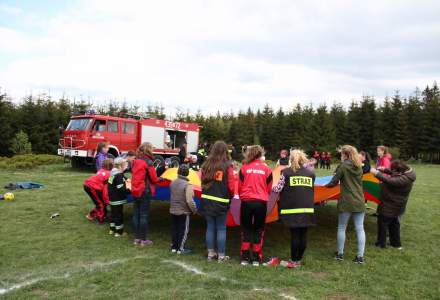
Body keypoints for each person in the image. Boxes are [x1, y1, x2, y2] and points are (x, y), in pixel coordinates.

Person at [268, 149, 315, 268]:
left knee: (295, 235)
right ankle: (299, 259)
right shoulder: (311, 174)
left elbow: (278, 188)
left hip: (292, 209)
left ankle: (294, 260)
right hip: (307, 209)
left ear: (291, 159)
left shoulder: (286, 172)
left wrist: (269, 188)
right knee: (303, 234)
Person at [325, 145, 366, 264]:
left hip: (346, 201)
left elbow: (333, 182)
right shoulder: (359, 166)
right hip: (359, 200)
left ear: (346, 155)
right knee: (360, 229)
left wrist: (323, 186)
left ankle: (340, 254)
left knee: (342, 227)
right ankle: (360, 257)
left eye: (341, 154)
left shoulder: (343, 166)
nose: (340, 156)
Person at [199, 141, 235, 262]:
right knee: (221, 228)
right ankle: (221, 255)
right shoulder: (227, 165)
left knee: (210, 227)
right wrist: (231, 195)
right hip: (221, 200)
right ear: (225, 151)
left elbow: (201, 180)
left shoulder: (206, 164)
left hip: (207, 199)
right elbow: (231, 186)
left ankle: (210, 254)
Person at [238, 145, 273, 266]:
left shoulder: (244, 168)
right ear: (260, 154)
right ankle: (257, 257)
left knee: (246, 228)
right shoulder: (267, 169)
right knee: (259, 229)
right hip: (261, 202)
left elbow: (239, 186)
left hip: (246, 202)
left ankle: (245, 257)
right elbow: (269, 188)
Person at [370, 160, 416, 249]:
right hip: (397, 205)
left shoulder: (403, 179)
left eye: (393, 170)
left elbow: (389, 180)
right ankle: (396, 244)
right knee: (394, 224)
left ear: (398, 170)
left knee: (383, 223)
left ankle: (381, 244)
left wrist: (376, 173)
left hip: (390, 205)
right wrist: (385, 170)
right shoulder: (408, 174)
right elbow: (395, 174)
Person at [131, 142, 161, 246]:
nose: (153, 149)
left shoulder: (136, 160)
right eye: (152, 148)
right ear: (148, 149)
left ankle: (137, 238)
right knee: (143, 215)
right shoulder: (148, 162)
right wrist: (161, 178)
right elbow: (154, 179)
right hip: (144, 190)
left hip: (135, 189)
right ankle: (143, 239)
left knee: (136, 214)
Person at [169, 164, 197, 254]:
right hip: (183, 212)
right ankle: (180, 249)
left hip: (173, 210)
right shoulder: (188, 185)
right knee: (183, 230)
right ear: (187, 173)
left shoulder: (172, 182)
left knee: (174, 229)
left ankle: (174, 247)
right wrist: (194, 210)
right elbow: (189, 200)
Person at [84, 158, 113, 224]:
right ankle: (101, 219)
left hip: (88, 185)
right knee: (101, 204)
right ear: (111, 166)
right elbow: (106, 189)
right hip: (91, 187)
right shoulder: (109, 174)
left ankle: (92, 215)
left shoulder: (101, 170)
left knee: (100, 203)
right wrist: (107, 200)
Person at [108, 157, 131, 237]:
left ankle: (112, 229)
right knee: (119, 215)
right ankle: (119, 232)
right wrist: (129, 190)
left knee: (113, 214)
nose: (126, 166)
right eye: (125, 165)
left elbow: (122, 178)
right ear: (121, 166)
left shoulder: (113, 173)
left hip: (111, 198)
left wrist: (127, 179)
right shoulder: (119, 175)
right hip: (117, 198)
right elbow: (121, 188)